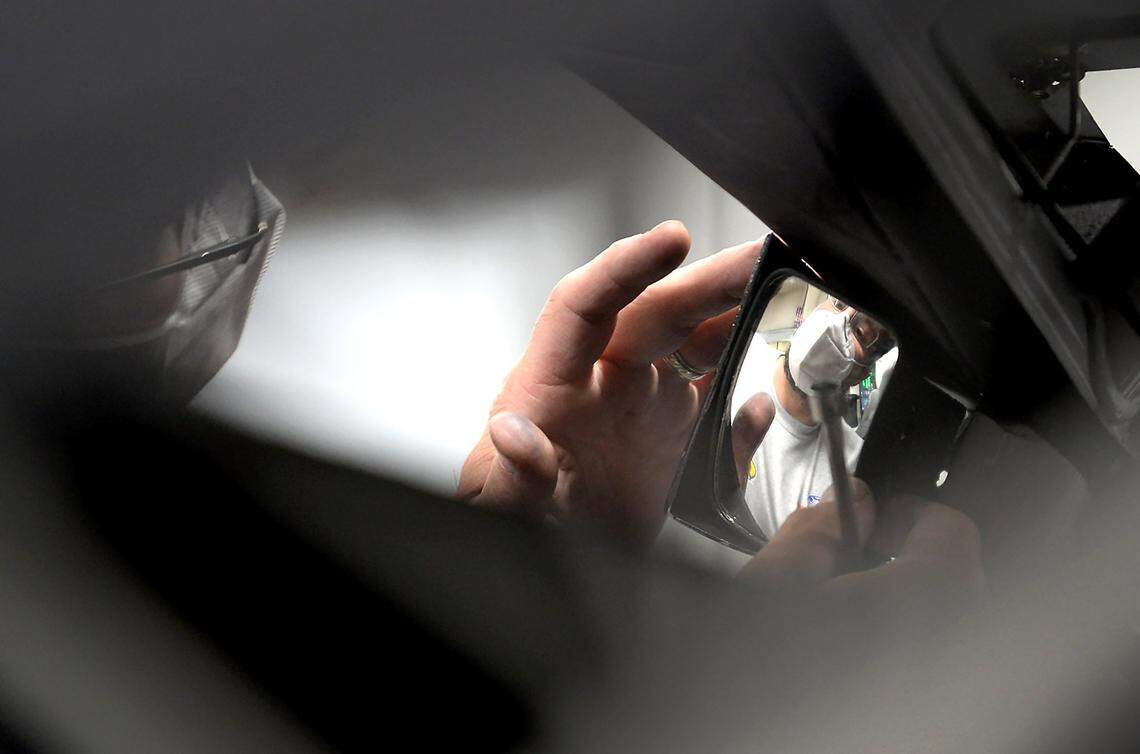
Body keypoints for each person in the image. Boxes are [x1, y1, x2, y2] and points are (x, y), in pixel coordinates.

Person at [729, 294, 896, 539]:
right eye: (838, 302)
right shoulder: (735, 357)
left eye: (860, 331)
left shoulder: (850, 468)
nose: (836, 323)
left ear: (863, 374)